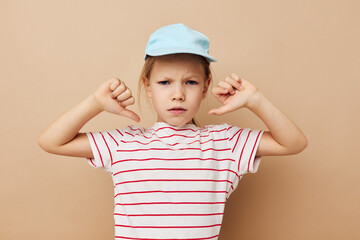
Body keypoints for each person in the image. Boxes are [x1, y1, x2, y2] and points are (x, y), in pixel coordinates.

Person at [38, 23, 307, 240]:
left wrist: (256, 100)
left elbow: (293, 143)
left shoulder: (224, 143)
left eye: (190, 82)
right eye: (165, 82)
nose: (177, 94)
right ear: (148, 85)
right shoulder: (124, 143)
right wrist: (94, 104)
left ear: (205, 87)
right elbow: (51, 142)